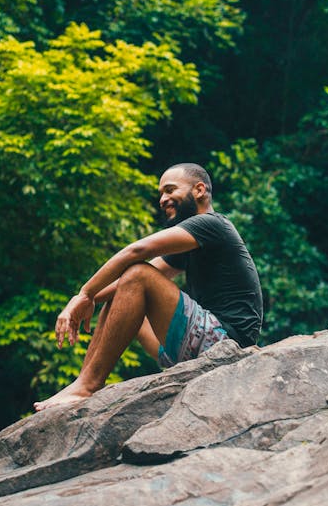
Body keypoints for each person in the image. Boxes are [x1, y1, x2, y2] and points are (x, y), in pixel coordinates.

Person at [34, 163, 263, 411]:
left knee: (138, 274)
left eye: (170, 190)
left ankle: (88, 386)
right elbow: (124, 285)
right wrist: (88, 301)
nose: (163, 200)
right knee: (124, 290)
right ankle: (83, 382)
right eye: (161, 194)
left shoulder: (211, 224)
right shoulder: (191, 242)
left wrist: (85, 294)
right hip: (199, 344)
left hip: (226, 344)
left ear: (199, 190)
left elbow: (138, 251)